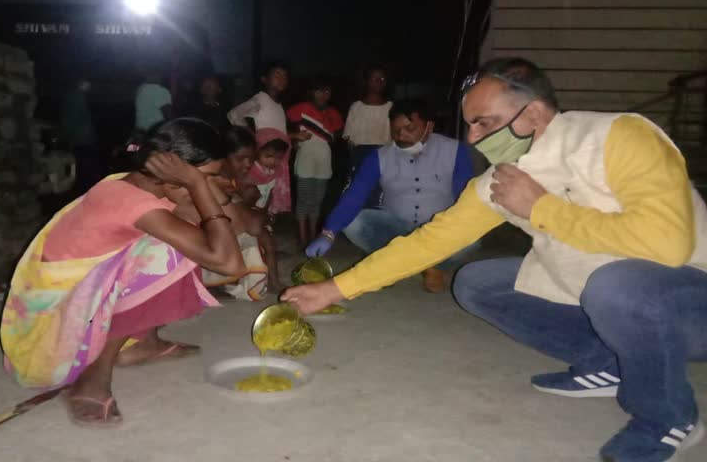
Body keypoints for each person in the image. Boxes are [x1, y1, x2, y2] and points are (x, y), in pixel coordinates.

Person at [283, 58, 707, 462]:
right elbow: (428, 242)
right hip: (604, 296)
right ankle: (608, 364)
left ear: (535, 113)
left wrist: (541, 208)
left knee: (618, 287)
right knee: (477, 283)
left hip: (686, 300)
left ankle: (667, 415)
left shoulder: (618, 137)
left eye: (484, 122)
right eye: (468, 124)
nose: (472, 137)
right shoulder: (501, 179)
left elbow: (667, 245)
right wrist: (334, 288)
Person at [0, 119, 245, 426]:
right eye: (205, 177)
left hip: (76, 313)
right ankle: (91, 377)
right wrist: (198, 186)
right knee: (166, 252)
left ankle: (142, 343)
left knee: (185, 237)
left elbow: (229, 222)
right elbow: (229, 262)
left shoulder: (137, 185)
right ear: (174, 174)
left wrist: (209, 189)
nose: (207, 185)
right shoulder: (131, 202)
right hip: (50, 337)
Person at [306, 99, 475, 292]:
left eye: (410, 128)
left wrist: (451, 230)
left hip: (438, 228)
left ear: (429, 126)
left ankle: (428, 266)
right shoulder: (378, 156)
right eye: (396, 131)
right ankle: (401, 265)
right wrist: (328, 233)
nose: (401, 136)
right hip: (396, 227)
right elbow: (355, 195)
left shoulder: (455, 150)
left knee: (471, 237)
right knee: (354, 223)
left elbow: (465, 197)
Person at [227, 61, 302, 213]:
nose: (282, 78)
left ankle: (264, 227)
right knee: (256, 199)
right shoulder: (260, 99)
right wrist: (253, 138)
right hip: (263, 163)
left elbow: (277, 133)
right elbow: (234, 115)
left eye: (285, 76)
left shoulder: (279, 105)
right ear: (264, 79)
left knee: (268, 198)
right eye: (277, 75)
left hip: (276, 161)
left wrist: (293, 137)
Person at [215, 126, 282, 293]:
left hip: (228, 231)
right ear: (223, 157)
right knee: (259, 232)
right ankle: (232, 282)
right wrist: (265, 215)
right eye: (240, 158)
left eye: (251, 159)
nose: (248, 164)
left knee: (264, 233)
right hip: (213, 241)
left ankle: (272, 280)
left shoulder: (233, 178)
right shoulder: (217, 181)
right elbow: (253, 225)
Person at [287, 75, 344, 248]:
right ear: (311, 92)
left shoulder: (334, 113)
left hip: (324, 160)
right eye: (319, 90)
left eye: (327, 91)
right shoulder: (300, 109)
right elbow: (285, 129)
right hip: (305, 159)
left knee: (317, 200)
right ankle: (302, 238)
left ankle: (313, 237)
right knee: (303, 199)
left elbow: (337, 136)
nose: (323, 94)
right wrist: (295, 138)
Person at [342, 66, 393, 208]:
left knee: (381, 197)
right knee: (358, 196)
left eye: (382, 79)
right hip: (360, 157)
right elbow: (349, 139)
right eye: (375, 79)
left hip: (384, 155)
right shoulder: (356, 107)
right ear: (367, 82)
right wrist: (355, 162)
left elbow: (395, 137)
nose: (379, 82)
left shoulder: (390, 107)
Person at [58, 77, 101, 194]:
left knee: (85, 170)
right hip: (82, 140)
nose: (90, 85)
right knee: (86, 171)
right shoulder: (76, 97)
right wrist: (63, 137)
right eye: (88, 83)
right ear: (81, 83)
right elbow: (70, 120)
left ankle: (87, 192)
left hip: (84, 139)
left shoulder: (78, 96)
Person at [247, 128, 291, 213]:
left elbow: (271, 193)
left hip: (265, 209)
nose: (273, 161)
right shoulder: (250, 170)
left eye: (279, 158)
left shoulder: (275, 172)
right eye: (268, 156)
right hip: (250, 211)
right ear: (257, 151)